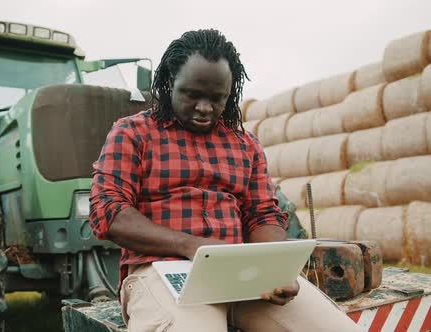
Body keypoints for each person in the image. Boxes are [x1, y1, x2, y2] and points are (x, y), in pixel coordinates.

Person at [89, 29, 361, 332]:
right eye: (192, 95)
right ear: (168, 83)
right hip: (160, 271)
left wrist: (274, 268)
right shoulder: (132, 133)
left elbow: (263, 214)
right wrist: (192, 246)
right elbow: (109, 212)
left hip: (241, 274)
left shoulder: (245, 144)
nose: (205, 108)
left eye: (217, 98)